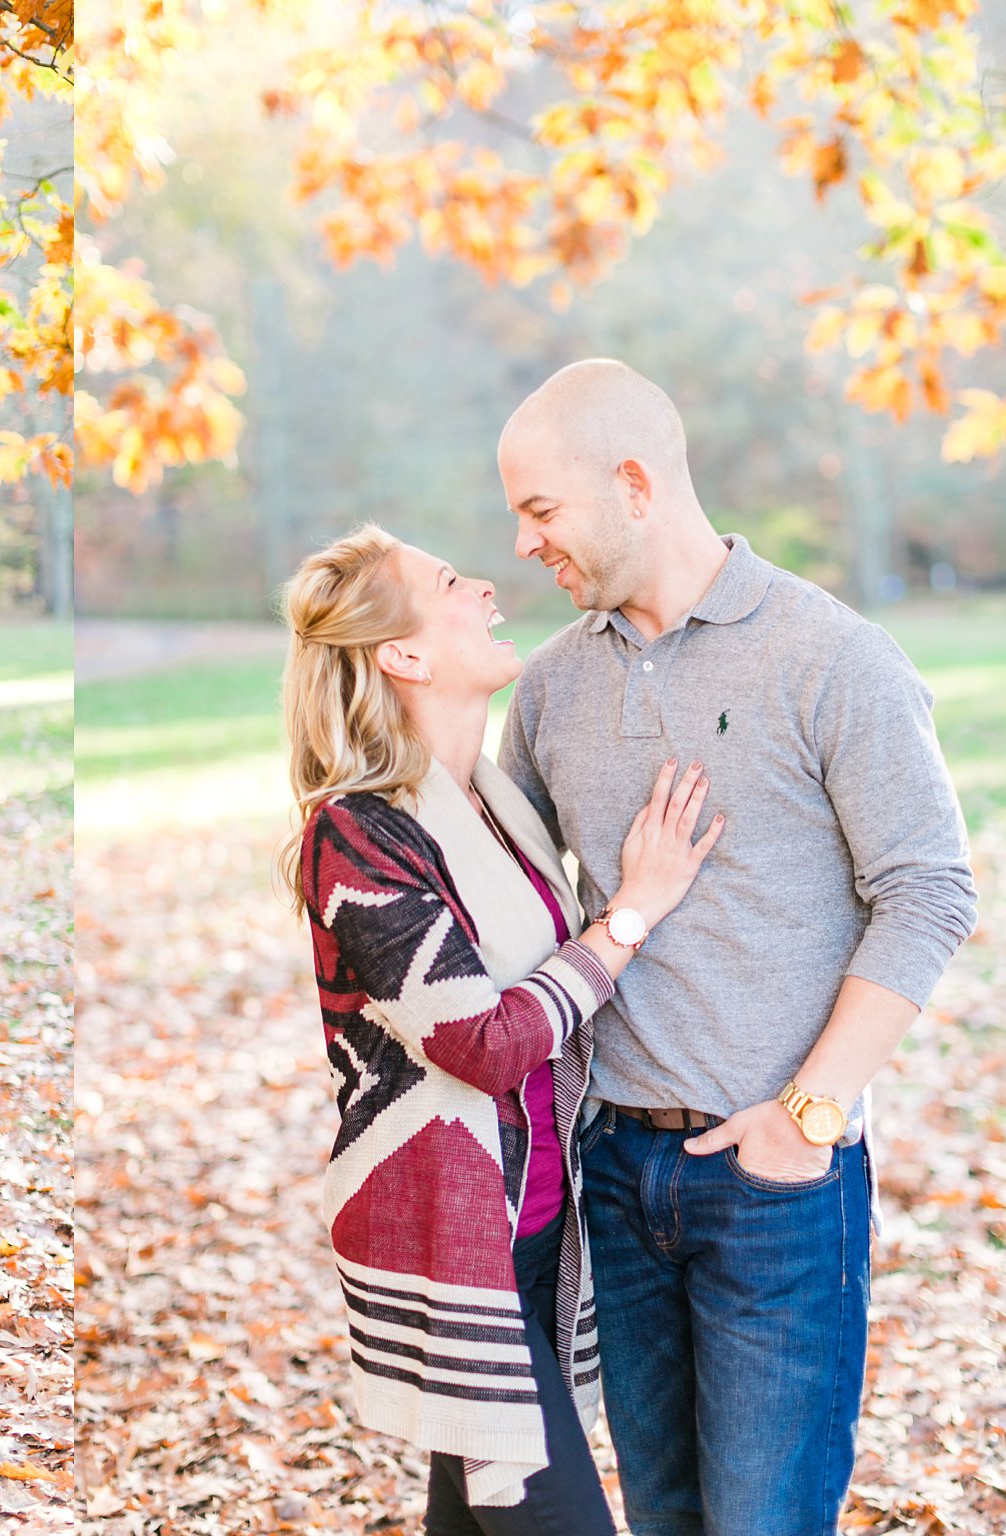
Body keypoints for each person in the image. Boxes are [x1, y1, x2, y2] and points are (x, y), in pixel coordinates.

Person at [496, 359, 978, 1534]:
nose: (521, 544)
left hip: (779, 1186)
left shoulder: (831, 655)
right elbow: (502, 904)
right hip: (614, 1173)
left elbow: (928, 892)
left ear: (632, 484)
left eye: (539, 510)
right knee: (660, 1518)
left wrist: (807, 1116)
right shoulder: (551, 688)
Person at [282, 524, 723, 1527]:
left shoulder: (489, 800)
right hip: (450, 1246)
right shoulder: (352, 833)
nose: (484, 585)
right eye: (447, 583)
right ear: (402, 655)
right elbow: (480, 1047)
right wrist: (628, 919)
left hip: (538, 1225)